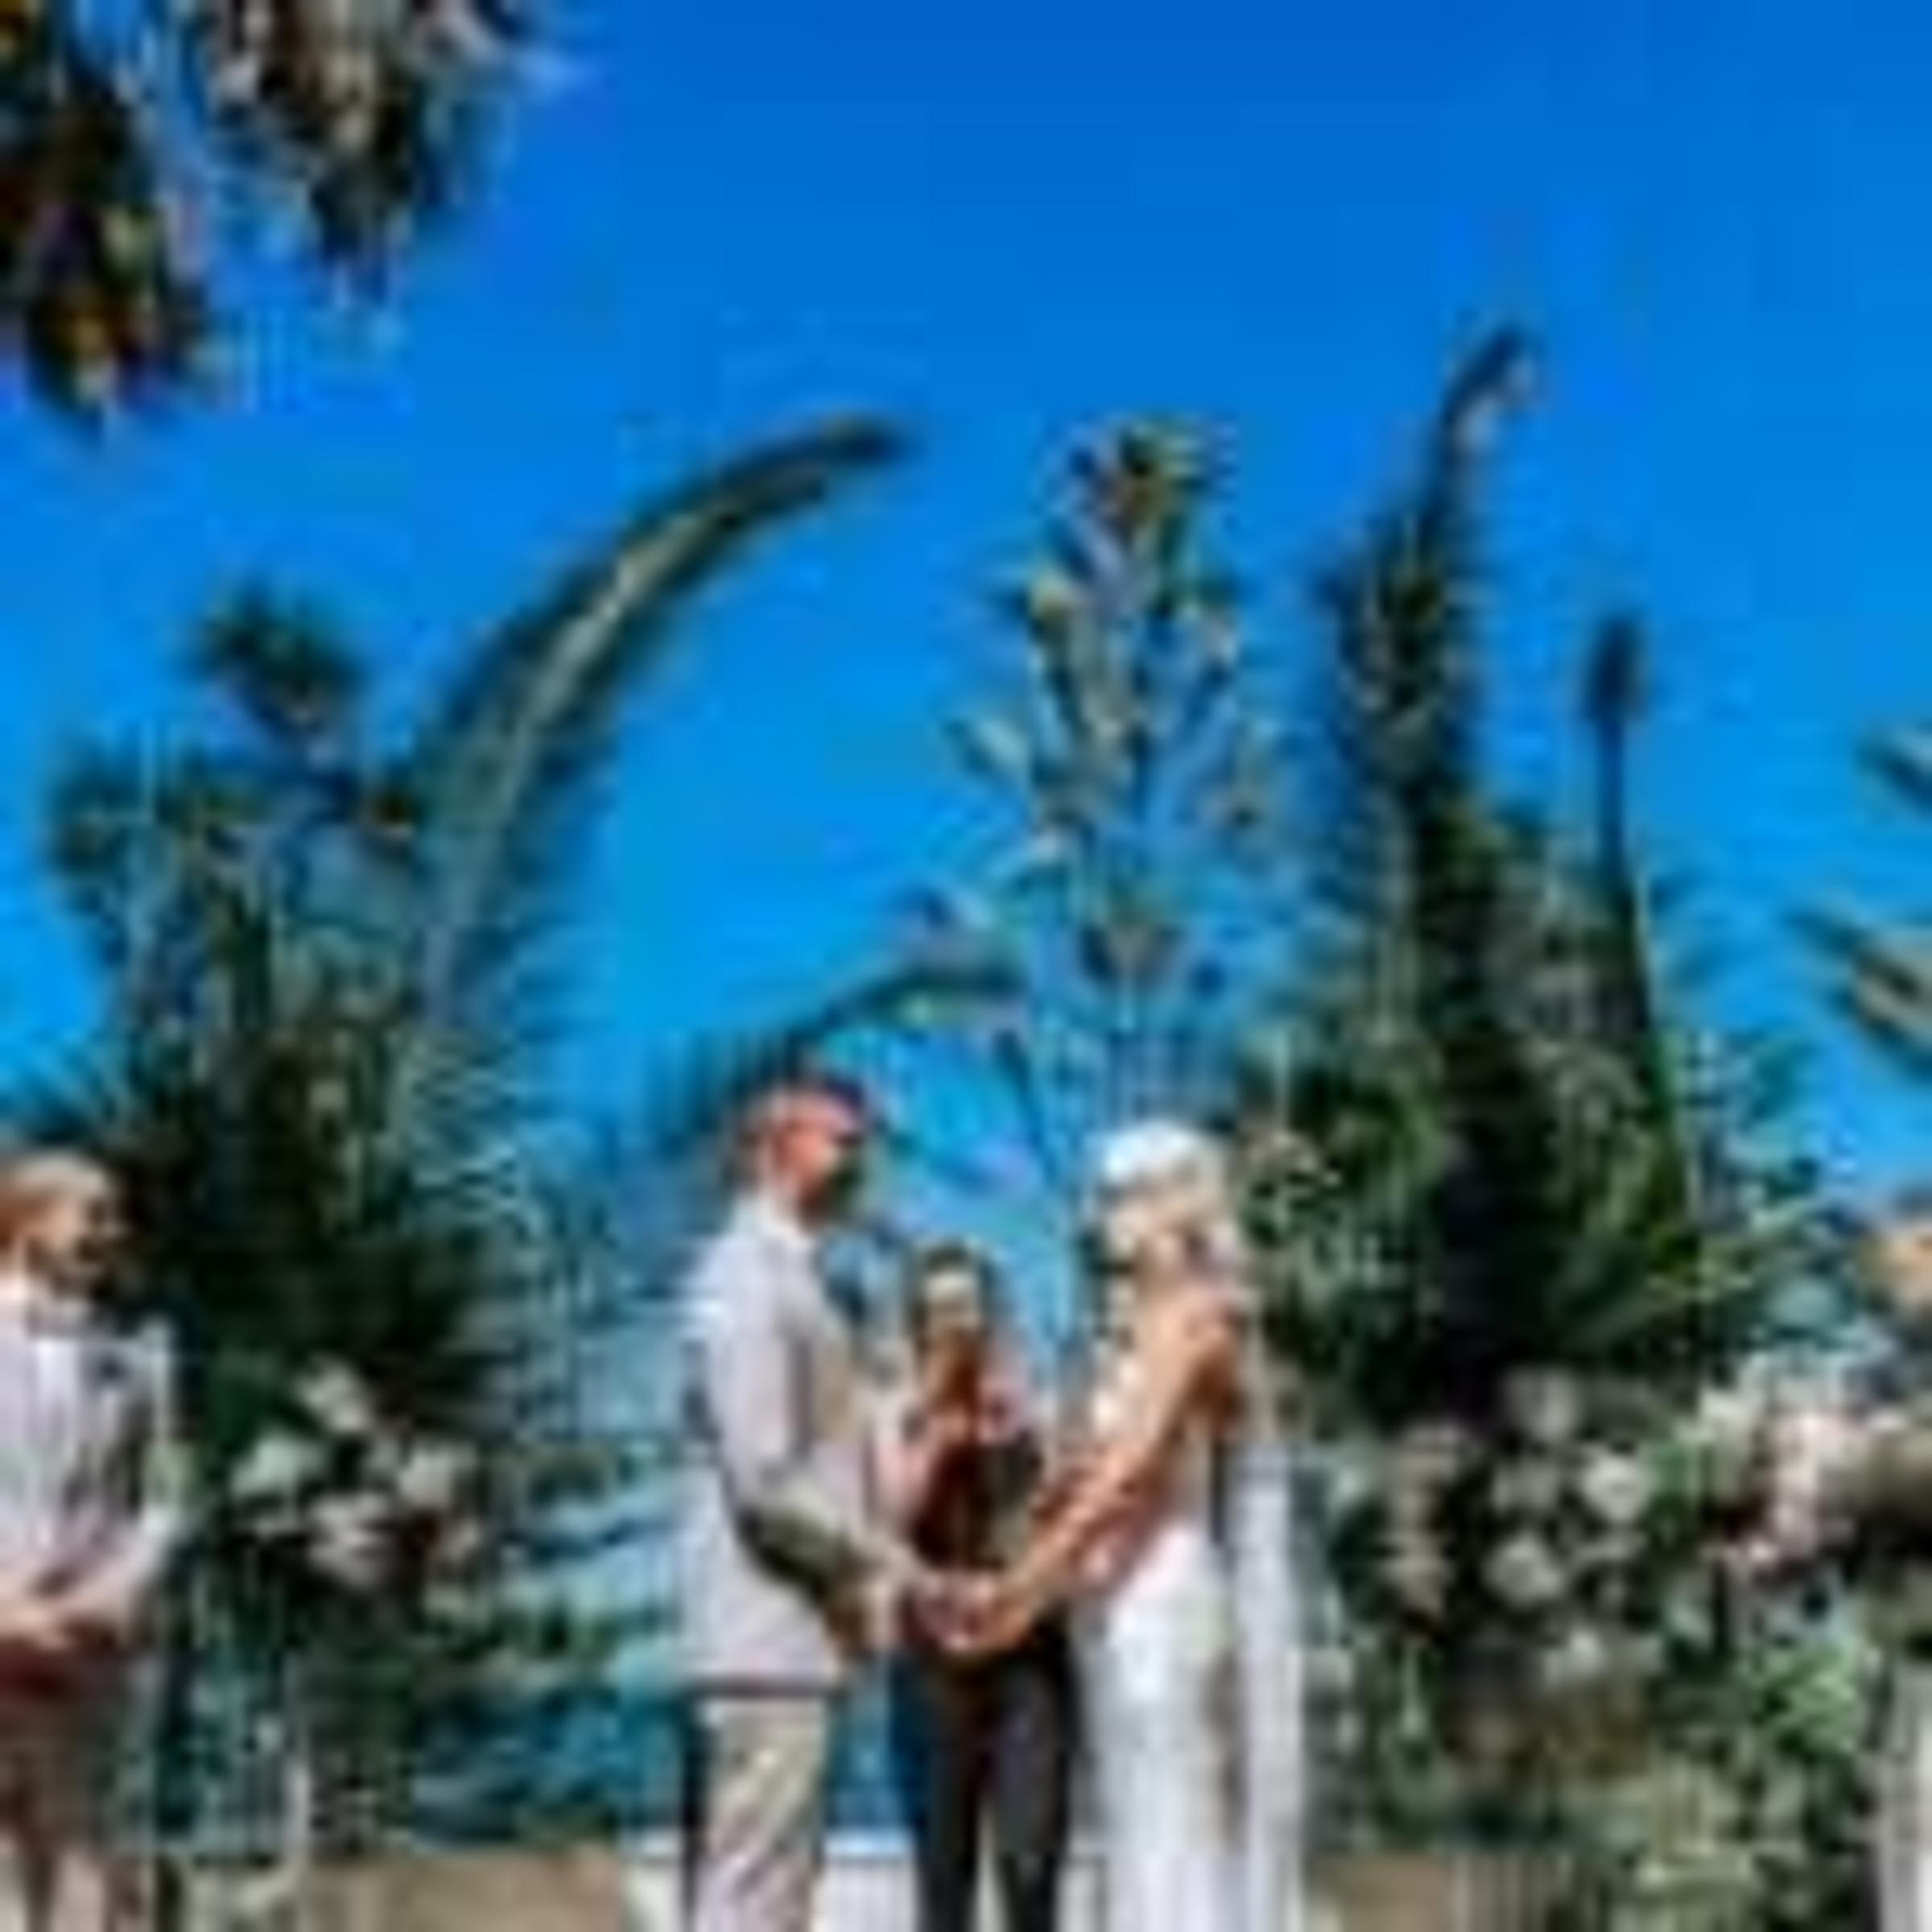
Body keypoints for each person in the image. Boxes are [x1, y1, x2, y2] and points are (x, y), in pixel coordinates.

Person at [952, 1119, 1307, 1932]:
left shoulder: (1202, 1315)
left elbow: (1133, 1475)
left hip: (1163, 1596)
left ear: (1175, 1202)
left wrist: (1019, 1593)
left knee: (1167, 1819)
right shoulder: (1136, 1324)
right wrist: (1015, 1538)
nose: (1098, 1212)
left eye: (1118, 1194)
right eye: (1101, 1193)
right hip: (1109, 1598)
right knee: (1133, 1816)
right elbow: (1085, 1472)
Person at [683, 1071, 936, 1932]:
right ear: (771, 1147)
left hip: (795, 1647)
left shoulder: (802, 1273)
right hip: (767, 1642)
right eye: (842, 1141)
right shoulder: (744, 1272)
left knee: (774, 1901)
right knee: (751, 1901)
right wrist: (866, 1583)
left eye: (861, 1143)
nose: (860, 1162)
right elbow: (764, 1485)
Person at [0, 1149, 181, 1932]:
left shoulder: (138, 1359)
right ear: (28, 1220)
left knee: (80, 1881)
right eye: (95, 1212)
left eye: (118, 1214)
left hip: (86, 1656)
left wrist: (107, 1600)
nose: (114, 1231)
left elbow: (166, 1500)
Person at [880, 1242, 1076, 1932]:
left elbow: (1069, 1518)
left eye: (968, 1305)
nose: (956, 1323)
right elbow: (881, 1527)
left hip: (1030, 1656)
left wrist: (1032, 1432)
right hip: (933, 1659)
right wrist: (934, 1434)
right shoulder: (890, 1401)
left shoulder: (1039, 1395)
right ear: (917, 1320)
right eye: (939, 1310)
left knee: (1030, 1869)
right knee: (944, 1888)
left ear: (993, 1312)